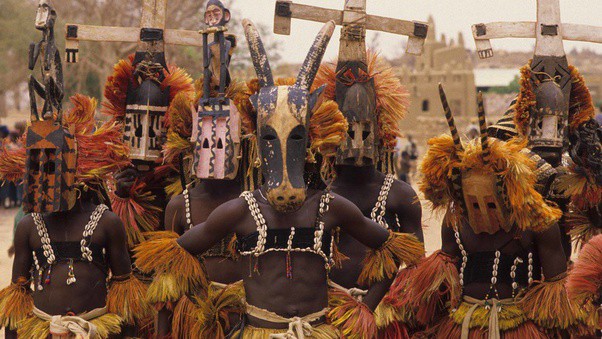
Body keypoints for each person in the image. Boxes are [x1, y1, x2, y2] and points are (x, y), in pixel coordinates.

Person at [135, 19, 419, 338]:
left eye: (296, 138)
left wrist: (364, 309)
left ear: (309, 143)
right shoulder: (240, 211)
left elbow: (393, 248)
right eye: (270, 138)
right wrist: (207, 309)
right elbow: (175, 255)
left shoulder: (330, 207)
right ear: (257, 142)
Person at [401, 87, 577, 338]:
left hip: (519, 325)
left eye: (491, 204)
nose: (482, 213)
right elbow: (440, 291)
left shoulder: (538, 223)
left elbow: (557, 296)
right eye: (474, 203)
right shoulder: (454, 222)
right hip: (462, 325)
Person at [0, 94, 149, 338]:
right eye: (35, 168)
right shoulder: (28, 226)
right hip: (43, 329)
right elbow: (18, 294)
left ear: (75, 171)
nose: (41, 179)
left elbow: (125, 290)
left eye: (50, 168)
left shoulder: (107, 223)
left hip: (96, 329)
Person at [153, 2, 257, 336]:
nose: (215, 150)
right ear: (192, 141)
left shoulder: (257, 201)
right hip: (195, 321)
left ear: (243, 144)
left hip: (251, 318)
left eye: (225, 139)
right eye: (208, 140)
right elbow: (165, 289)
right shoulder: (178, 206)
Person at [312, 50, 424, 337]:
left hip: (385, 317)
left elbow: (416, 268)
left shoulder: (400, 195)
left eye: (365, 130)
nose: (357, 141)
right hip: (325, 316)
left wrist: (370, 306)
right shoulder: (316, 197)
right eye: (347, 130)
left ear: (381, 132)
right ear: (329, 134)